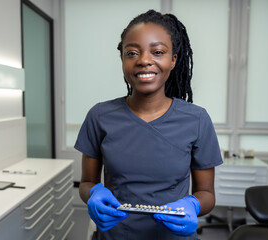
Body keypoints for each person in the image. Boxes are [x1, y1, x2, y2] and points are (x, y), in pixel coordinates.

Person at [75, 9, 223, 240]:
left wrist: (194, 204)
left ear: (173, 60)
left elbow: (206, 194)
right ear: (123, 60)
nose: (144, 60)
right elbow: (86, 182)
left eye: (157, 52)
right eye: (132, 52)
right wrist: (93, 192)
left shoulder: (197, 119)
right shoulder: (100, 116)